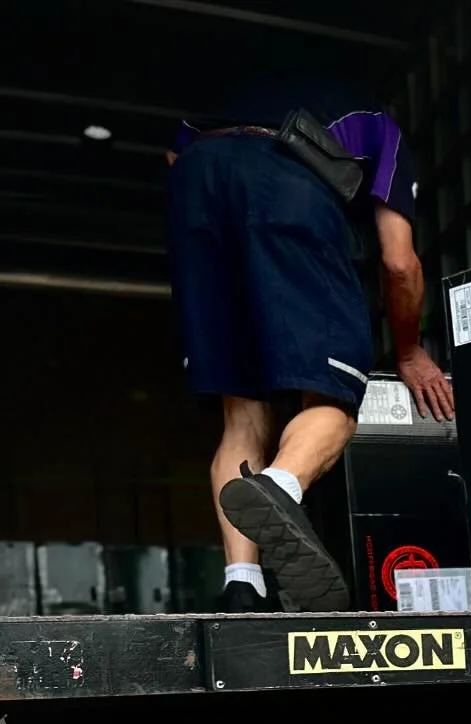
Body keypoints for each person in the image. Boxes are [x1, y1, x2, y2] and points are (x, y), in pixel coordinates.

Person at [165, 78, 454, 611]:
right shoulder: (378, 121)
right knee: (336, 401)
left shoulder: (212, 99)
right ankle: (279, 487)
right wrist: (410, 352)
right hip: (286, 187)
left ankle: (242, 585)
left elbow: (173, 154)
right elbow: (399, 262)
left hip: (194, 191)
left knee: (242, 411)